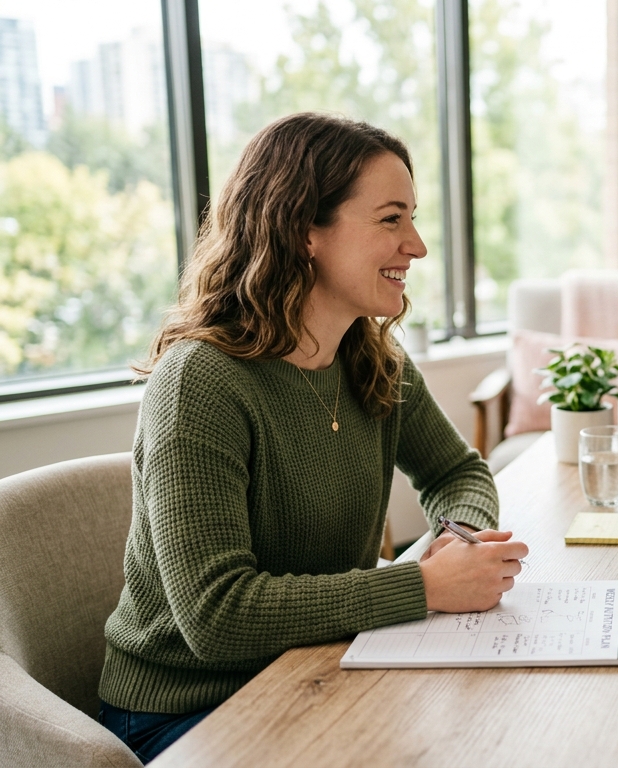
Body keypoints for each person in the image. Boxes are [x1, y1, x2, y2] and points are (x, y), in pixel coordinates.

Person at [97, 113, 528, 763]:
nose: (417, 245)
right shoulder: (201, 384)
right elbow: (217, 615)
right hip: (188, 709)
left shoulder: (372, 358)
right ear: (305, 231)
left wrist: (457, 533)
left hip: (324, 664)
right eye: (391, 219)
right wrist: (428, 586)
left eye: (412, 217)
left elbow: (456, 473)